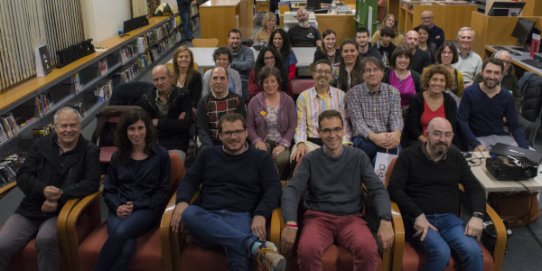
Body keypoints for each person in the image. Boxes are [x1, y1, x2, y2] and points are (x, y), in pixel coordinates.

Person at [281, 110, 394, 271]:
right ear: (319, 133)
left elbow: (377, 189)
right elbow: (292, 190)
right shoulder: (310, 159)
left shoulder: (358, 157)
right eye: (326, 130)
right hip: (318, 218)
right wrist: (291, 223)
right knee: (307, 251)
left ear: (343, 130)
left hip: (351, 218)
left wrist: (385, 219)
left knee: (368, 249)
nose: (332, 135)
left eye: (336, 129)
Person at [171, 113, 285, 271]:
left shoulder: (261, 158)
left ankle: (249, 245)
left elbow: (274, 188)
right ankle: (255, 246)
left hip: (240, 216)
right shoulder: (208, 154)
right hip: (207, 216)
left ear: (246, 132)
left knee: (239, 258)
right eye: (228, 133)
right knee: (189, 213)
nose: (234, 137)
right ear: (220, 135)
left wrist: (260, 213)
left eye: (238, 131)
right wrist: (182, 201)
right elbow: (189, 180)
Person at [0, 107, 100, 271]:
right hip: (31, 208)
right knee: (2, 244)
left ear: (80, 126)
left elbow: (91, 182)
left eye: (73, 125)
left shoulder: (90, 151)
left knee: (45, 240)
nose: (69, 130)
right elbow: (23, 175)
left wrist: (59, 196)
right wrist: (43, 190)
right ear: (55, 127)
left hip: (63, 210)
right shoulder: (40, 145)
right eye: (64, 126)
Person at [388, 117, 485, 271]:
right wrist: (417, 214)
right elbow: (394, 189)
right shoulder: (408, 156)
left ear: (452, 137)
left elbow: (475, 188)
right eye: (437, 134)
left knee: (473, 252)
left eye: (447, 135)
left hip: (450, 220)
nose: (442, 139)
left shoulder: (456, 157)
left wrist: (477, 215)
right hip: (419, 220)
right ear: (427, 134)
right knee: (441, 252)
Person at [95, 108, 170, 271]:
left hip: (147, 209)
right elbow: (109, 189)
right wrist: (117, 207)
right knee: (127, 247)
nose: (136, 133)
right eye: (131, 129)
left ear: (147, 129)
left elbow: (163, 192)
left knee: (121, 233)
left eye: (140, 128)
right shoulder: (117, 156)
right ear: (125, 131)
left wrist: (137, 205)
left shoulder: (161, 155)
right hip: (120, 207)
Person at [457, 58, 529, 150]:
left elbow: (515, 125)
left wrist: (525, 148)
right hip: (476, 139)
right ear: (482, 73)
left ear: (502, 76)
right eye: (488, 72)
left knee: (520, 159)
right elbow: (462, 121)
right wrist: (475, 143)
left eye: (496, 73)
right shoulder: (469, 93)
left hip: (500, 138)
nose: (492, 76)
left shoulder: (507, 96)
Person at [292, 60, 351, 162]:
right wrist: (301, 142)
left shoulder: (341, 95)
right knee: (298, 158)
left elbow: (345, 124)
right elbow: (300, 124)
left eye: (327, 72)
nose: (323, 74)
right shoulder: (303, 97)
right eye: (319, 71)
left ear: (331, 75)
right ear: (314, 74)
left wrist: (345, 143)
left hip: (335, 140)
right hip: (312, 142)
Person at [347, 57, 403, 162]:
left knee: (396, 150)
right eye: (368, 70)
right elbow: (358, 123)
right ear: (363, 75)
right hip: (364, 138)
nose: (372, 73)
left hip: (387, 135)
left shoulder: (393, 92)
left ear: (382, 73)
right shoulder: (353, 93)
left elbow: (396, 118)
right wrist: (375, 137)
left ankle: (373, 177)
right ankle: (376, 177)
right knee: (389, 151)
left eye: (376, 70)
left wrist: (396, 133)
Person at [247, 67, 297, 179]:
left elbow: (292, 126)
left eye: (273, 81)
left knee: (282, 159)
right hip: (262, 140)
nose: (270, 85)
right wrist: (257, 141)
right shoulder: (254, 102)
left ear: (278, 82)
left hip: (281, 141)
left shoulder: (287, 100)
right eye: (266, 82)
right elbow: (249, 126)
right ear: (261, 84)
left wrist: (283, 145)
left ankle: (279, 184)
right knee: (259, 157)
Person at [137, 65, 192, 160]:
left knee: (173, 163)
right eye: (156, 80)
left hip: (177, 141)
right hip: (154, 140)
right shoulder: (146, 99)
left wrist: (157, 122)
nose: (160, 82)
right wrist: (174, 122)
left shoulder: (183, 95)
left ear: (170, 78)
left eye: (163, 78)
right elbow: (147, 125)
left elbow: (184, 125)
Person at [404, 64, 460, 148]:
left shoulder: (450, 101)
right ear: (428, 81)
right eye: (434, 79)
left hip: (443, 141)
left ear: (446, 83)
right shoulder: (417, 99)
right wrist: (427, 142)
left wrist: (441, 142)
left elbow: (452, 127)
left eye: (442, 80)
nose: (438, 83)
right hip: (420, 140)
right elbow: (413, 127)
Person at [198, 67, 246, 147]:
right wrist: (210, 148)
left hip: (233, 142)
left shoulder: (238, 100)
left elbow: (241, 127)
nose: (218, 81)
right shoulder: (203, 103)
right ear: (210, 81)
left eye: (222, 78)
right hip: (211, 144)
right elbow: (203, 131)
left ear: (228, 81)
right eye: (215, 78)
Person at [228, 29, 255, 101]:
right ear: (228, 39)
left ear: (241, 39)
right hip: (228, 79)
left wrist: (232, 64)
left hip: (243, 80)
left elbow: (248, 65)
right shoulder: (225, 51)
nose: (235, 41)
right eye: (233, 38)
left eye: (237, 38)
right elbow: (221, 66)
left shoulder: (248, 51)